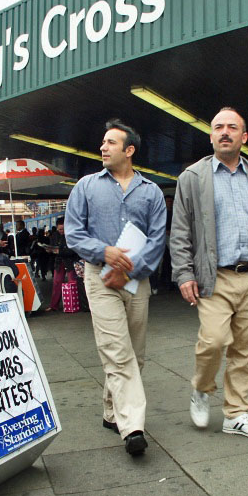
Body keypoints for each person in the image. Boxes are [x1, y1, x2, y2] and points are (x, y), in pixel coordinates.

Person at [170, 107, 248, 439]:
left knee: (245, 348)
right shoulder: (193, 177)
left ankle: (236, 414)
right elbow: (181, 230)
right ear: (211, 135)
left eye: (232, 127)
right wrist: (184, 273)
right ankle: (202, 388)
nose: (224, 132)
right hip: (215, 276)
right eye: (218, 127)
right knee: (213, 341)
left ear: (244, 137)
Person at [65, 118, 166, 457]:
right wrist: (104, 252)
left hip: (137, 278)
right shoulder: (86, 186)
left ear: (129, 150)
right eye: (103, 142)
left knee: (134, 354)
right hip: (100, 277)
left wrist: (131, 270)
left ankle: (112, 411)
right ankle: (133, 427)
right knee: (117, 350)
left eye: (110, 142)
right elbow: (74, 233)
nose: (103, 147)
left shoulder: (151, 191)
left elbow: (157, 239)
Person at [46, 217, 81, 311]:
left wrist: (59, 251)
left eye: (62, 229)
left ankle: (75, 304)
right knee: (56, 283)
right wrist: (50, 250)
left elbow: (74, 250)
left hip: (70, 261)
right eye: (59, 229)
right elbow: (53, 246)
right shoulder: (55, 235)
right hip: (59, 261)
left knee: (72, 282)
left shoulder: (72, 235)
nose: (60, 231)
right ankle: (54, 306)